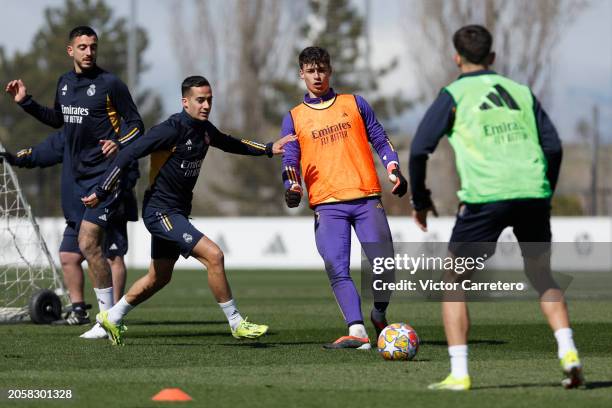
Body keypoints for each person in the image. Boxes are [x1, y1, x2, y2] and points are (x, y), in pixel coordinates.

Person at [409, 25, 582, 390]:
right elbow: (553, 147)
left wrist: (421, 202)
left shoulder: (453, 93)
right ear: (492, 58)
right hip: (532, 194)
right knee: (542, 276)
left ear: (457, 58)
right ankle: (569, 353)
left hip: (486, 198)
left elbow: (421, 147)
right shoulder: (521, 91)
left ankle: (459, 374)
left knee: (453, 282)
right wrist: (544, 190)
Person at [82, 75, 294, 345]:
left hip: (176, 211)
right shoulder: (171, 129)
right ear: (185, 102)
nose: (206, 105)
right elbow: (127, 154)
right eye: (200, 100)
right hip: (161, 211)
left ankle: (112, 317)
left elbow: (229, 142)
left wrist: (267, 148)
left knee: (159, 277)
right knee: (214, 256)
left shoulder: (204, 130)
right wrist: (101, 191)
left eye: (209, 100)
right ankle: (236, 323)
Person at [4, 26, 144, 334]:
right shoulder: (64, 83)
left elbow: (137, 125)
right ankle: (98, 316)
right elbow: (59, 121)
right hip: (77, 181)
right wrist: (26, 102)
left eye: (93, 46)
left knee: (94, 246)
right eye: (82, 47)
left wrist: (119, 142)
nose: (89, 52)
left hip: (107, 178)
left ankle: (108, 319)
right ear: (71, 51)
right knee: (75, 252)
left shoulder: (110, 84)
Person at [280, 46, 408, 350]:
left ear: (330, 71)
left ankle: (378, 314)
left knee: (384, 265)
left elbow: (379, 136)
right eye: (311, 71)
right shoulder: (294, 117)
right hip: (327, 204)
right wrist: (293, 185)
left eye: (322, 69)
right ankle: (357, 330)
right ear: (301, 74)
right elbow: (290, 158)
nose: (317, 76)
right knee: (337, 267)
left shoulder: (354, 103)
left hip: (365, 197)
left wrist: (393, 168)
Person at [0, 132, 138, 334]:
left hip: (109, 209)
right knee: (68, 256)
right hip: (78, 211)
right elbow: (43, 153)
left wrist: (115, 192)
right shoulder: (71, 133)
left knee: (112, 258)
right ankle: (79, 311)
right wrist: (14, 158)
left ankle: (114, 313)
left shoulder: (113, 135)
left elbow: (131, 166)